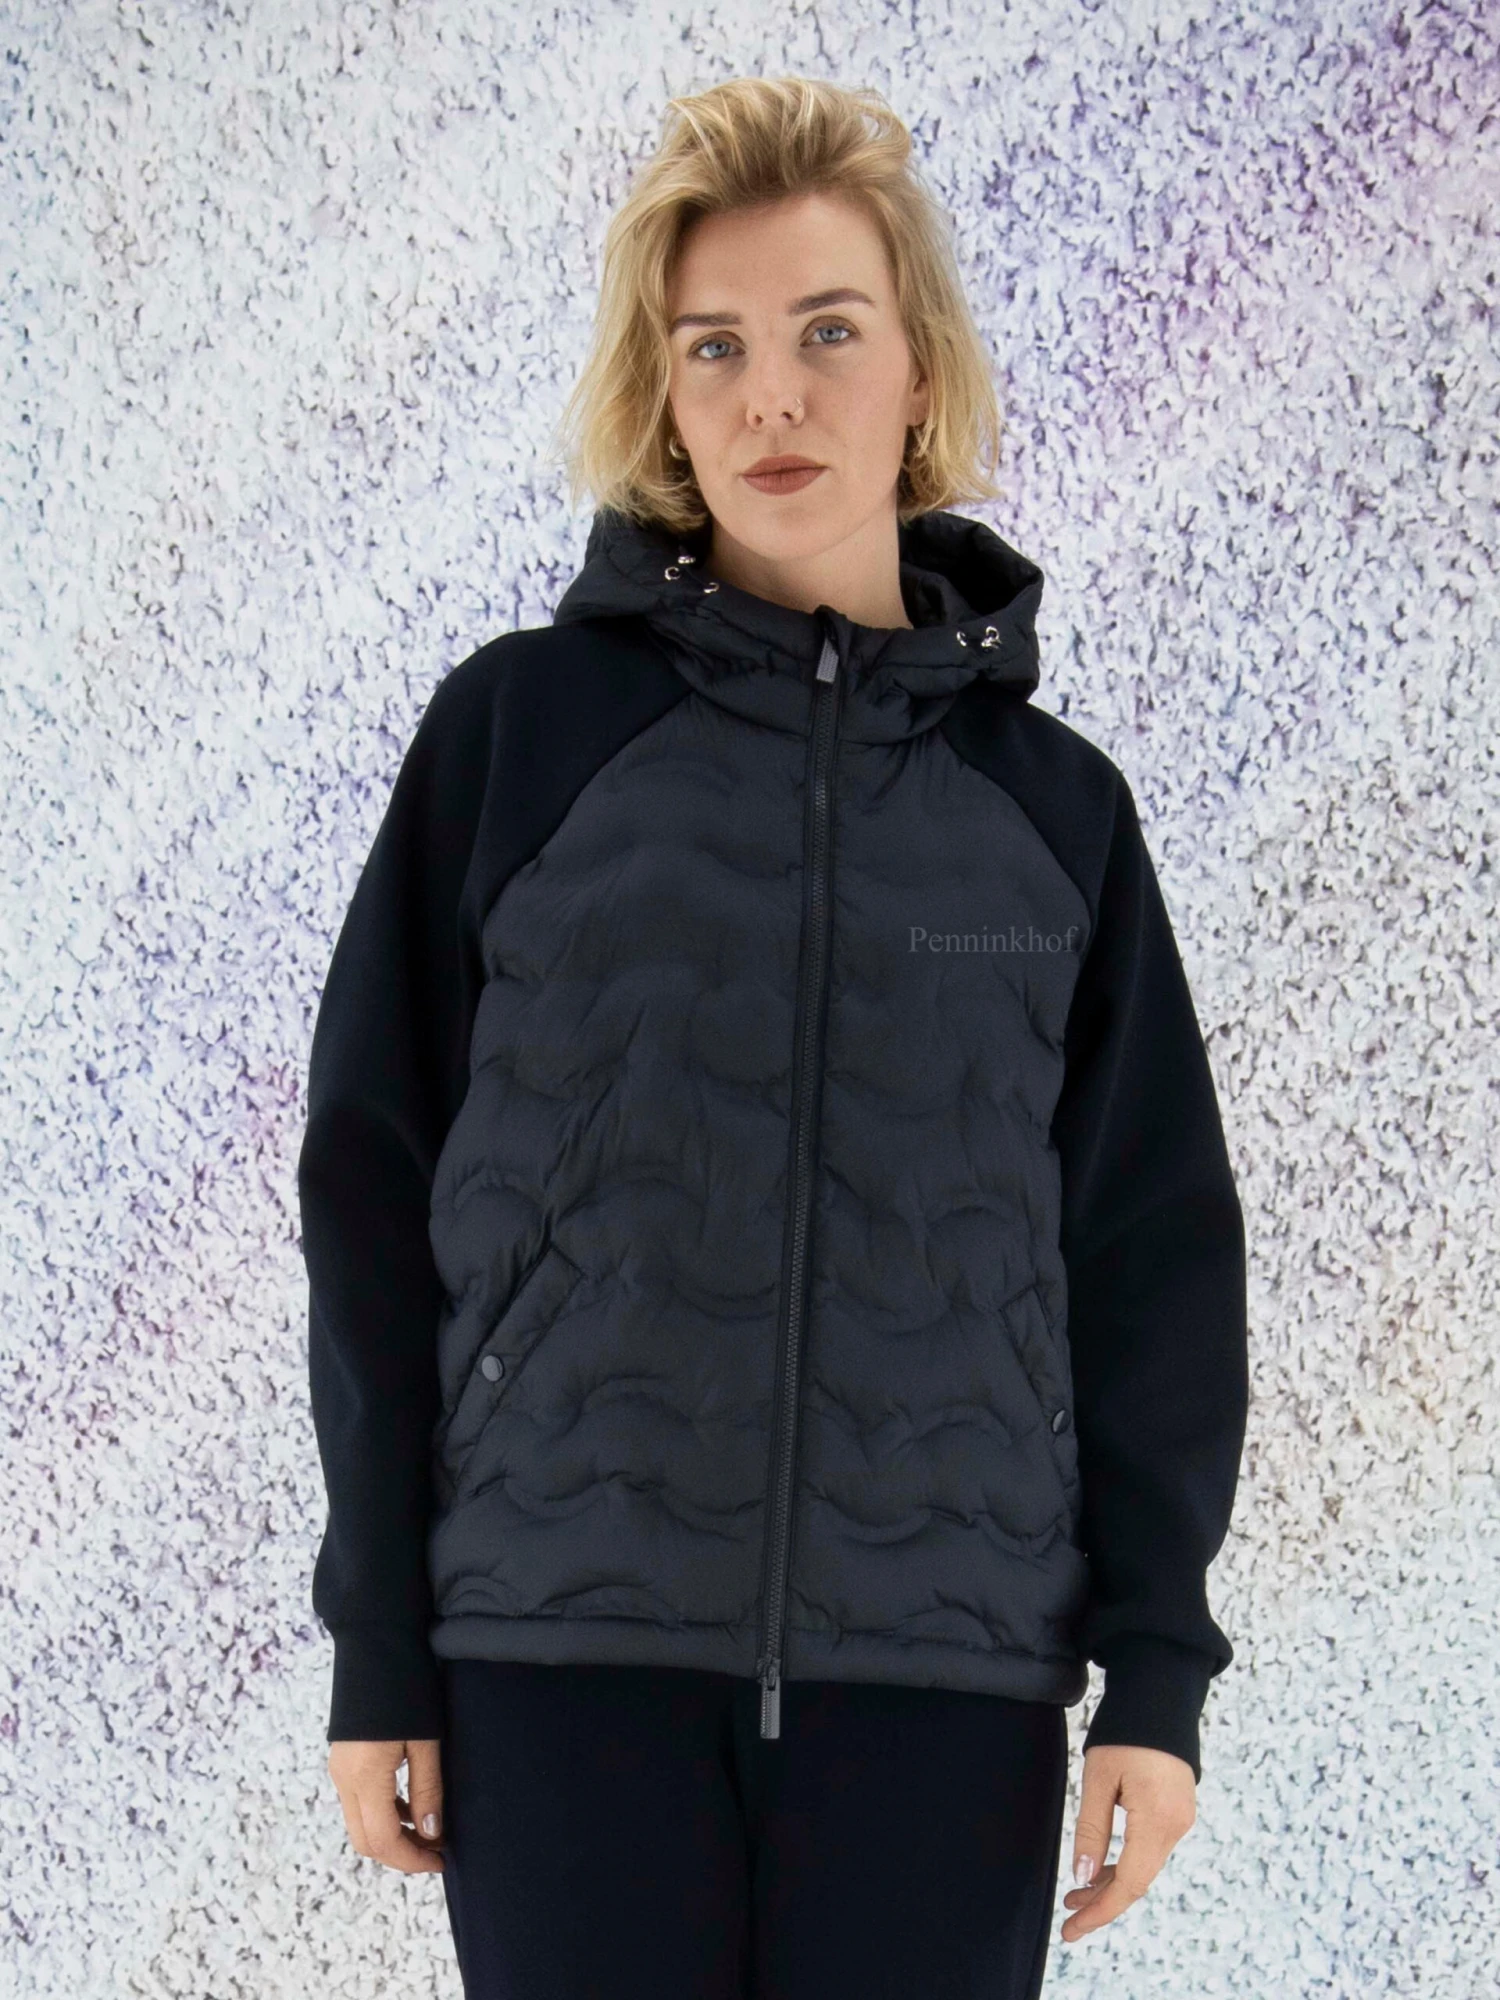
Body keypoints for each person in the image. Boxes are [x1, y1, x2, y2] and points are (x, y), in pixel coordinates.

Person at [298, 73, 1248, 1999]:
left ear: (919, 370)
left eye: (827, 332)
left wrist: (1156, 1672)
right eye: (713, 346)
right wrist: (378, 1634)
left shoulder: (1053, 818)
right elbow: (371, 1188)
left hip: (946, 1687)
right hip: (561, 1667)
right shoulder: (523, 736)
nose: (770, 399)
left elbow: (1151, 1251)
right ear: (664, 394)